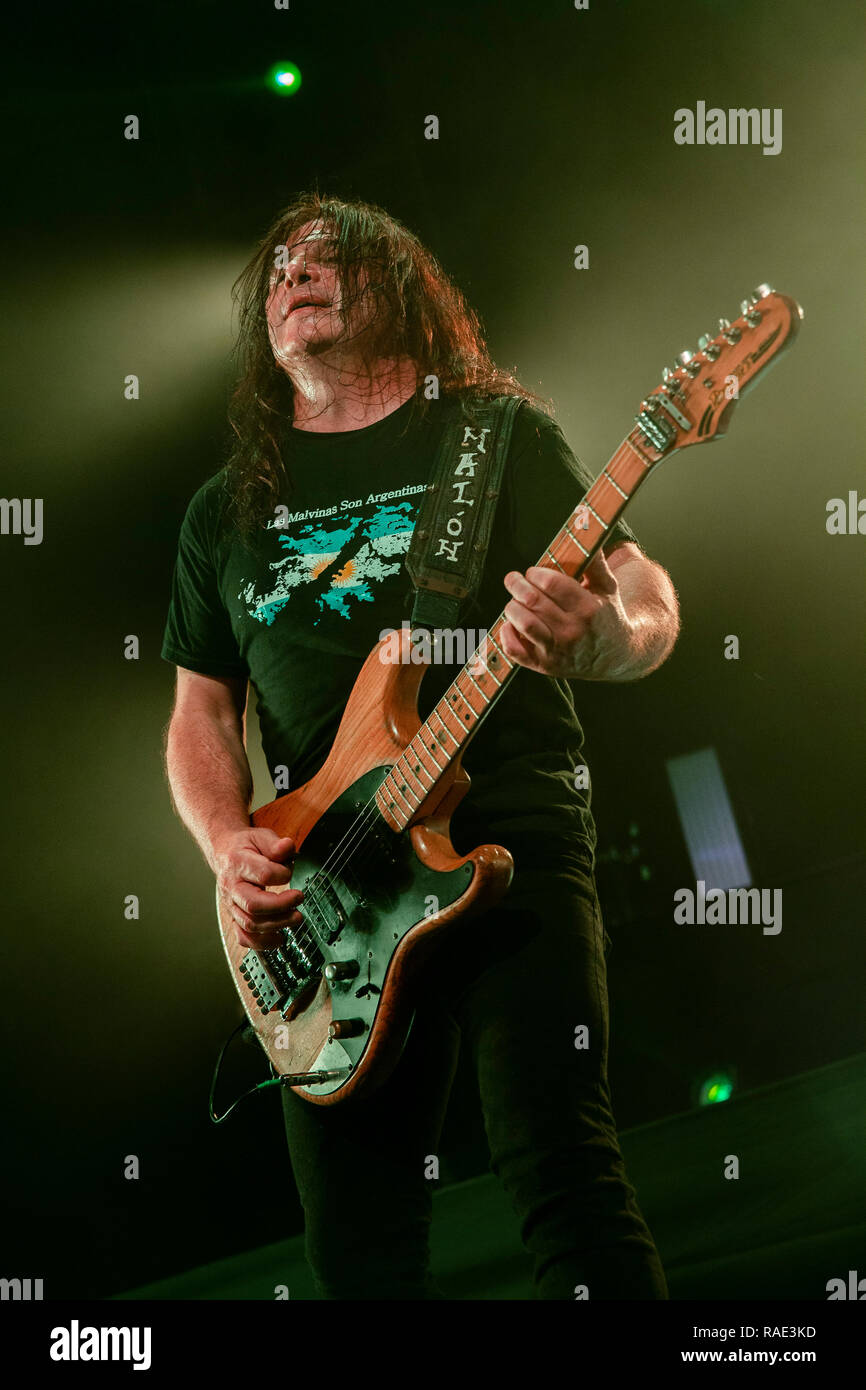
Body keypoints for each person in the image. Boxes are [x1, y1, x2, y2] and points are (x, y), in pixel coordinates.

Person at [162, 193, 680, 1300]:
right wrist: (225, 844)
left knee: (565, 1179)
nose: (293, 273)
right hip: (323, 896)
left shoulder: (491, 433)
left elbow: (639, 591)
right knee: (356, 1257)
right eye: (280, 266)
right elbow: (201, 711)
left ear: (396, 283)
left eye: (327, 258)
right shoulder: (224, 510)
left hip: (506, 833)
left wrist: (606, 641)